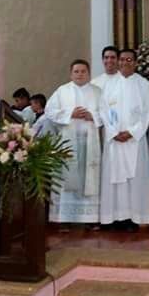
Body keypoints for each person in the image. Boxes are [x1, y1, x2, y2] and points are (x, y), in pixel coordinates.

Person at [99, 49, 149, 229]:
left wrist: (132, 132)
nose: (124, 62)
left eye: (129, 59)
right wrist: (114, 132)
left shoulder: (143, 84)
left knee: (134, 180)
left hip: (134, 141)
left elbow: (147, 112)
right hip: (114, 140)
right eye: (122, 59)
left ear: (135, 62)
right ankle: (113, 217)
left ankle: (132, 218)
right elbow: (103, 110)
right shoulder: (109, 84)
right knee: (114, 179)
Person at [45, 60, 102, 224]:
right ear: (71, 74)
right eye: (76, 71)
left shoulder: (97, 92)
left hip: (89, 143)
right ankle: (65, 218)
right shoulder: (62, 91)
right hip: (68, 143)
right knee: (67, 176)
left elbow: (108, 114)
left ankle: (89, 218)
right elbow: (49, 111)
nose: (80, 74)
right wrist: (70, 113)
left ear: (89, 73)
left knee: (87, 178)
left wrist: (93, 116)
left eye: (83, 71)